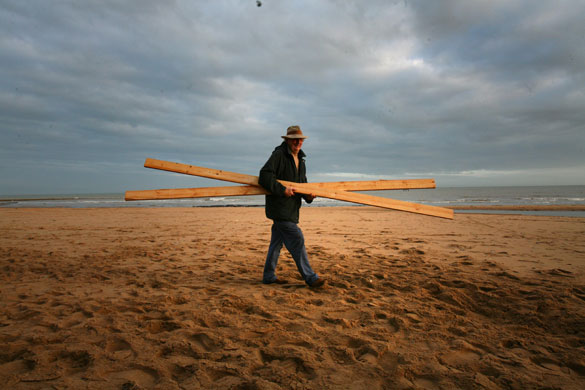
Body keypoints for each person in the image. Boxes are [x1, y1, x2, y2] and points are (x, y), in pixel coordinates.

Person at [258, 125, 325, 288]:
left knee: (276, 243)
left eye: (300, 139)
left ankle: (268, 276)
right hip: (280, 208)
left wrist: (308, 196)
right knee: (297, 237)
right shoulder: (279, 155)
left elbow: (301, 185)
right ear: (287, 140)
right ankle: (310, 277)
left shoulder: (301, 161)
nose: (298, 142)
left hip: (291, 209)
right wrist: (282, 190)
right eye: (294, 139)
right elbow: (264, 176)